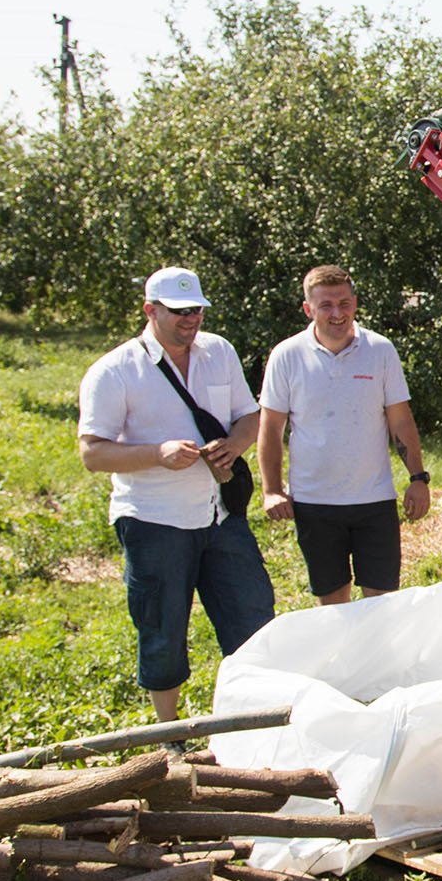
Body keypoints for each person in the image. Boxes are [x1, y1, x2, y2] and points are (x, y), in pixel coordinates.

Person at [77, 267, 275, 723]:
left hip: (221, 515)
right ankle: (170, 739)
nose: (192, 319)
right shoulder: (114, 370)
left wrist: (235, 444)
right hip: (154, 520)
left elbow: (249, 416)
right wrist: (158, 453)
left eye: (198, 310)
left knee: (253, 621)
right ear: (150, 310)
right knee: (162, 630)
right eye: (180, 311)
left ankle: (253, 726)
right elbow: (92, 453)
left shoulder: (219, 352)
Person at [258, 265, 430, 605]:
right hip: (315, 503)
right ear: (309, 309)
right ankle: (344, 660)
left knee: (381, 601)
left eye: (344, 303)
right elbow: (271, 428)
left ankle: (379, 660)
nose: (337, 314)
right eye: (326, 306)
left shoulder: (380, 350)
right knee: (332, 603)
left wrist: (418, 478)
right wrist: (271, 491)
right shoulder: (286, 356)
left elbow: (401, 421)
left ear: (354, 302)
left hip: (374, 500)